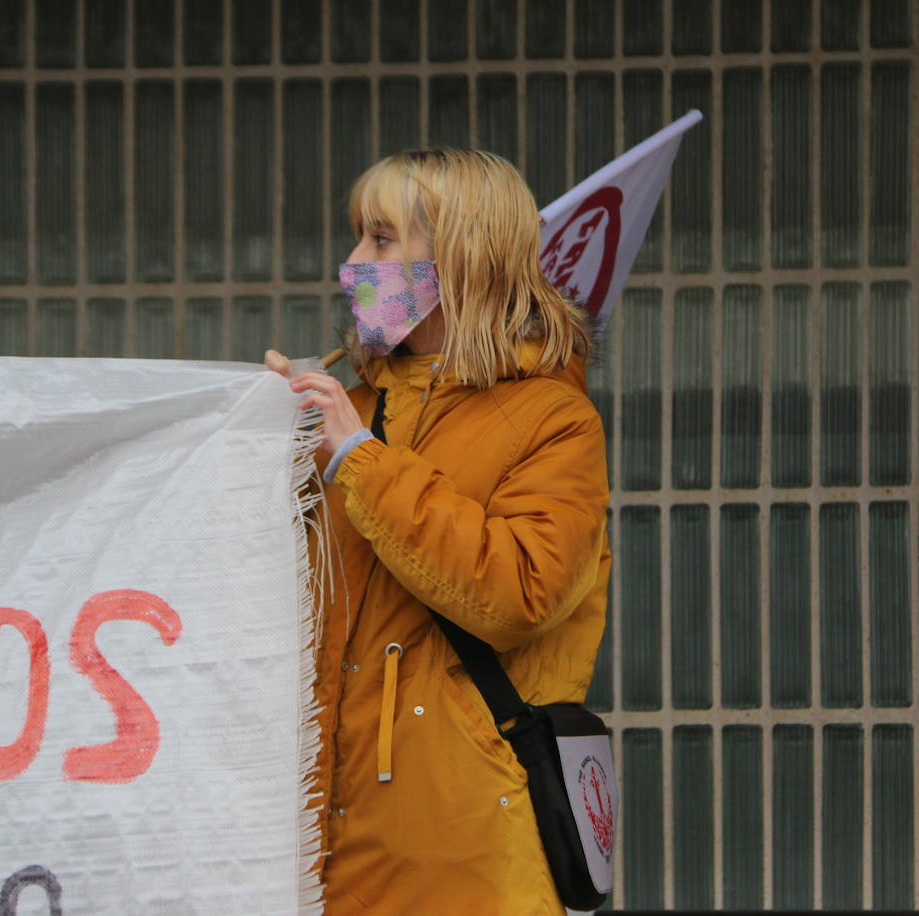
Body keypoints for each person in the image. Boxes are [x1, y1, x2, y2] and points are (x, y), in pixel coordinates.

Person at [266, 148, 611, 915]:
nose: (350, 264)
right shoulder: (349, 408)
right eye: (359, 236)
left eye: (381, 240)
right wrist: (257, 446)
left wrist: (361, 458)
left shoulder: (555, 421)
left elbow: (518, 593)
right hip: (329, 845)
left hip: (469, 852)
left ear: (463, 258)